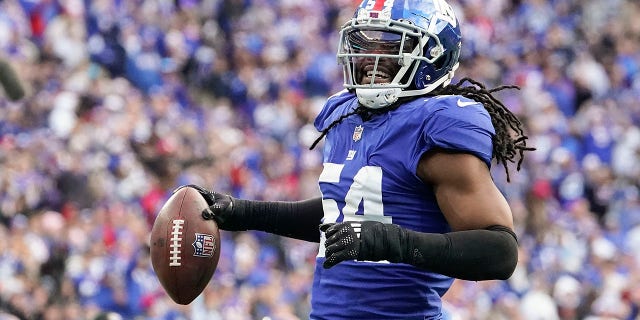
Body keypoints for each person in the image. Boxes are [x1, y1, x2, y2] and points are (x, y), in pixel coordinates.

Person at [184, 0, 535, 318]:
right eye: (365, 45)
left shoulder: (437, 123)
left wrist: (389, 242)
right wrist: (244, 212)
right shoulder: (345, 114)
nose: (372, 59)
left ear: (433, 54)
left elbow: (500, 251)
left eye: (391, 46)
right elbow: (346, 213)